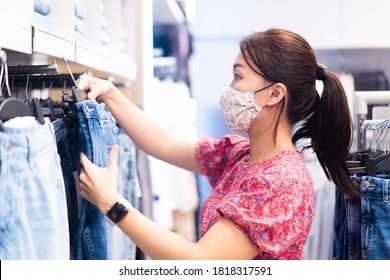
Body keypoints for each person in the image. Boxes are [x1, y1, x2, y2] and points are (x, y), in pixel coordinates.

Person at [78, 28, 356, 260]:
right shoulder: (241, 155)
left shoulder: (282, 182)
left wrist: (111, 202)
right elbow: (161, 143)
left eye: (238, 76)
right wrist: (111, 95)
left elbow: (201, 262)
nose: (230, 89)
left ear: (274, 93)